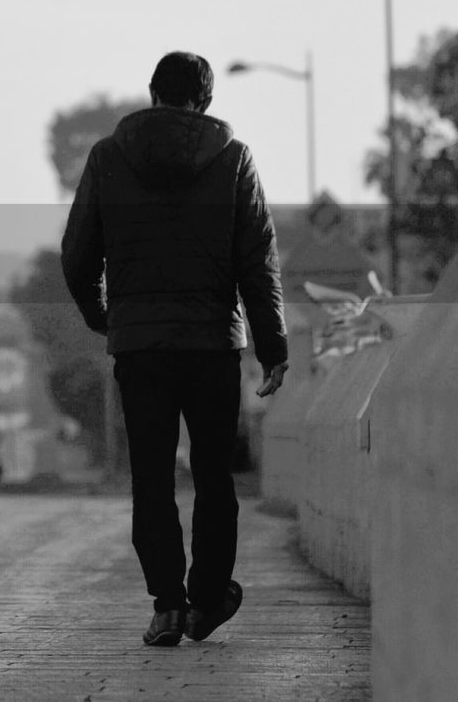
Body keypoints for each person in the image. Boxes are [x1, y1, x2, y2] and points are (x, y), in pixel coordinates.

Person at [60, 50, 289, 646]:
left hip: (140, 348)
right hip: (213, 344)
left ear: (153, 93)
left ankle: (166, 605)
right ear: (205, 101)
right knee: (214, 477)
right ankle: (207, 598)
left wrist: (104, 317)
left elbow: (77, 255)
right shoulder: (233, 160)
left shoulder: (109, 157)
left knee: (153, 478)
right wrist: (273, 345)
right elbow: (256, 262)